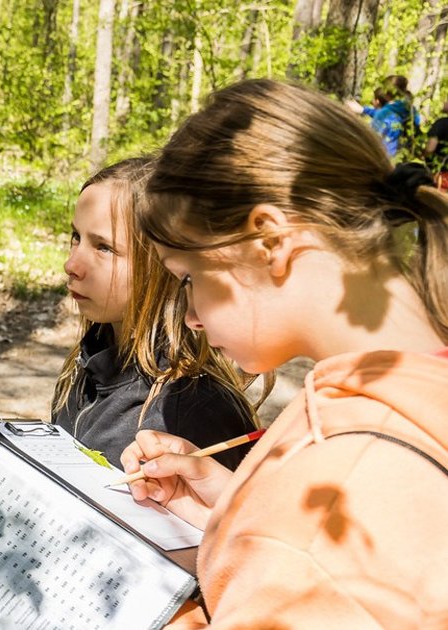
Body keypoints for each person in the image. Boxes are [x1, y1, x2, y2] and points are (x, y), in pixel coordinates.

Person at [122, 78, 448, 628]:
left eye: (188, 277)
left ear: (270, 240)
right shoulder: (388, 389)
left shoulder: (337, 503)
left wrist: (152, 603)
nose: (190, 316)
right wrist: (237, 519)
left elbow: (321, 561)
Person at [52, 157, 256, 470]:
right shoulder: (87, 365)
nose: (72, 265)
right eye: (76, 237)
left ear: (165, 264)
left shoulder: (193, 410)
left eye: (104, 247)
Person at [349, 75, 421, 159]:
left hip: (383, 159)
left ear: (386, 93)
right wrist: (363, 110)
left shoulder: (384, 113)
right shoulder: (412, 111)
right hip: (406, 159)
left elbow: (371, 139)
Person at [423, 98, 448, 189]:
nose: (444, 101)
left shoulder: (441, 123)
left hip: (440, 175)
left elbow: (430, 148)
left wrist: (423, 156)